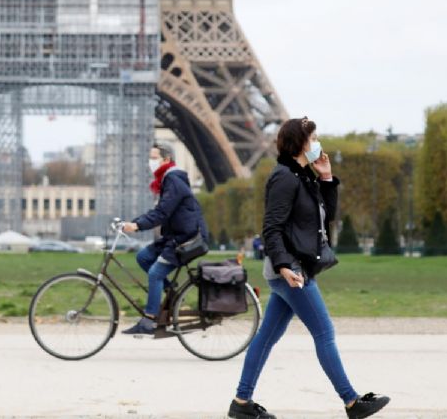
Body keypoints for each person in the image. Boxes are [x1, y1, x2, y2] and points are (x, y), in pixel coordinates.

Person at [228, 117, 389, 419]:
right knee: (324, 332)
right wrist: (285, 265)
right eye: (313, 138)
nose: (317, 144)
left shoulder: (303, 176)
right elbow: (271, 228)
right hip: (290, 271)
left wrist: (327, 178)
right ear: (300, 142)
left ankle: (241, 403)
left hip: (292, 268)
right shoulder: (285, 177)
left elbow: (324, 218)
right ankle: (352, 402)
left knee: (266, 338)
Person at [120, 142, 208, 335]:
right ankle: (172, 292)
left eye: (153, 158)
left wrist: (137, 225)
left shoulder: (173, 180)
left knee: (155, 273)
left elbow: (162, 213)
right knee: (143, 257)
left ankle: (149, 320)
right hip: (173, 236)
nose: (150, 162)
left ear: (166, 159)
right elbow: (160, 212)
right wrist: (135, 222)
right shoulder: (168, 179)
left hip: (185, 239)